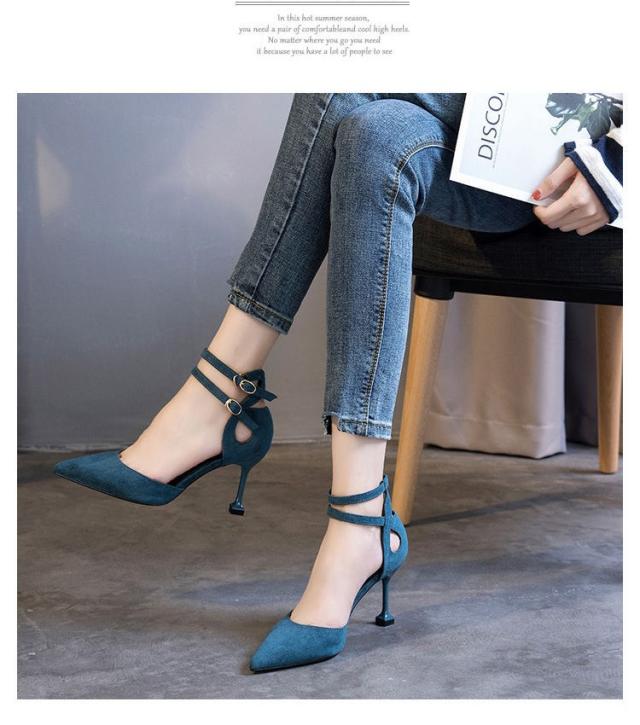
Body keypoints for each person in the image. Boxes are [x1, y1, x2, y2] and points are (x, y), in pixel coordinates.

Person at [54, 93, 623, 673]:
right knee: (376, 135)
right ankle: (360, 517)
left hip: (571, 165)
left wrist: (618, 163)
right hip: (490, 130)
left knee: (348, 72)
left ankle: (219, 395)